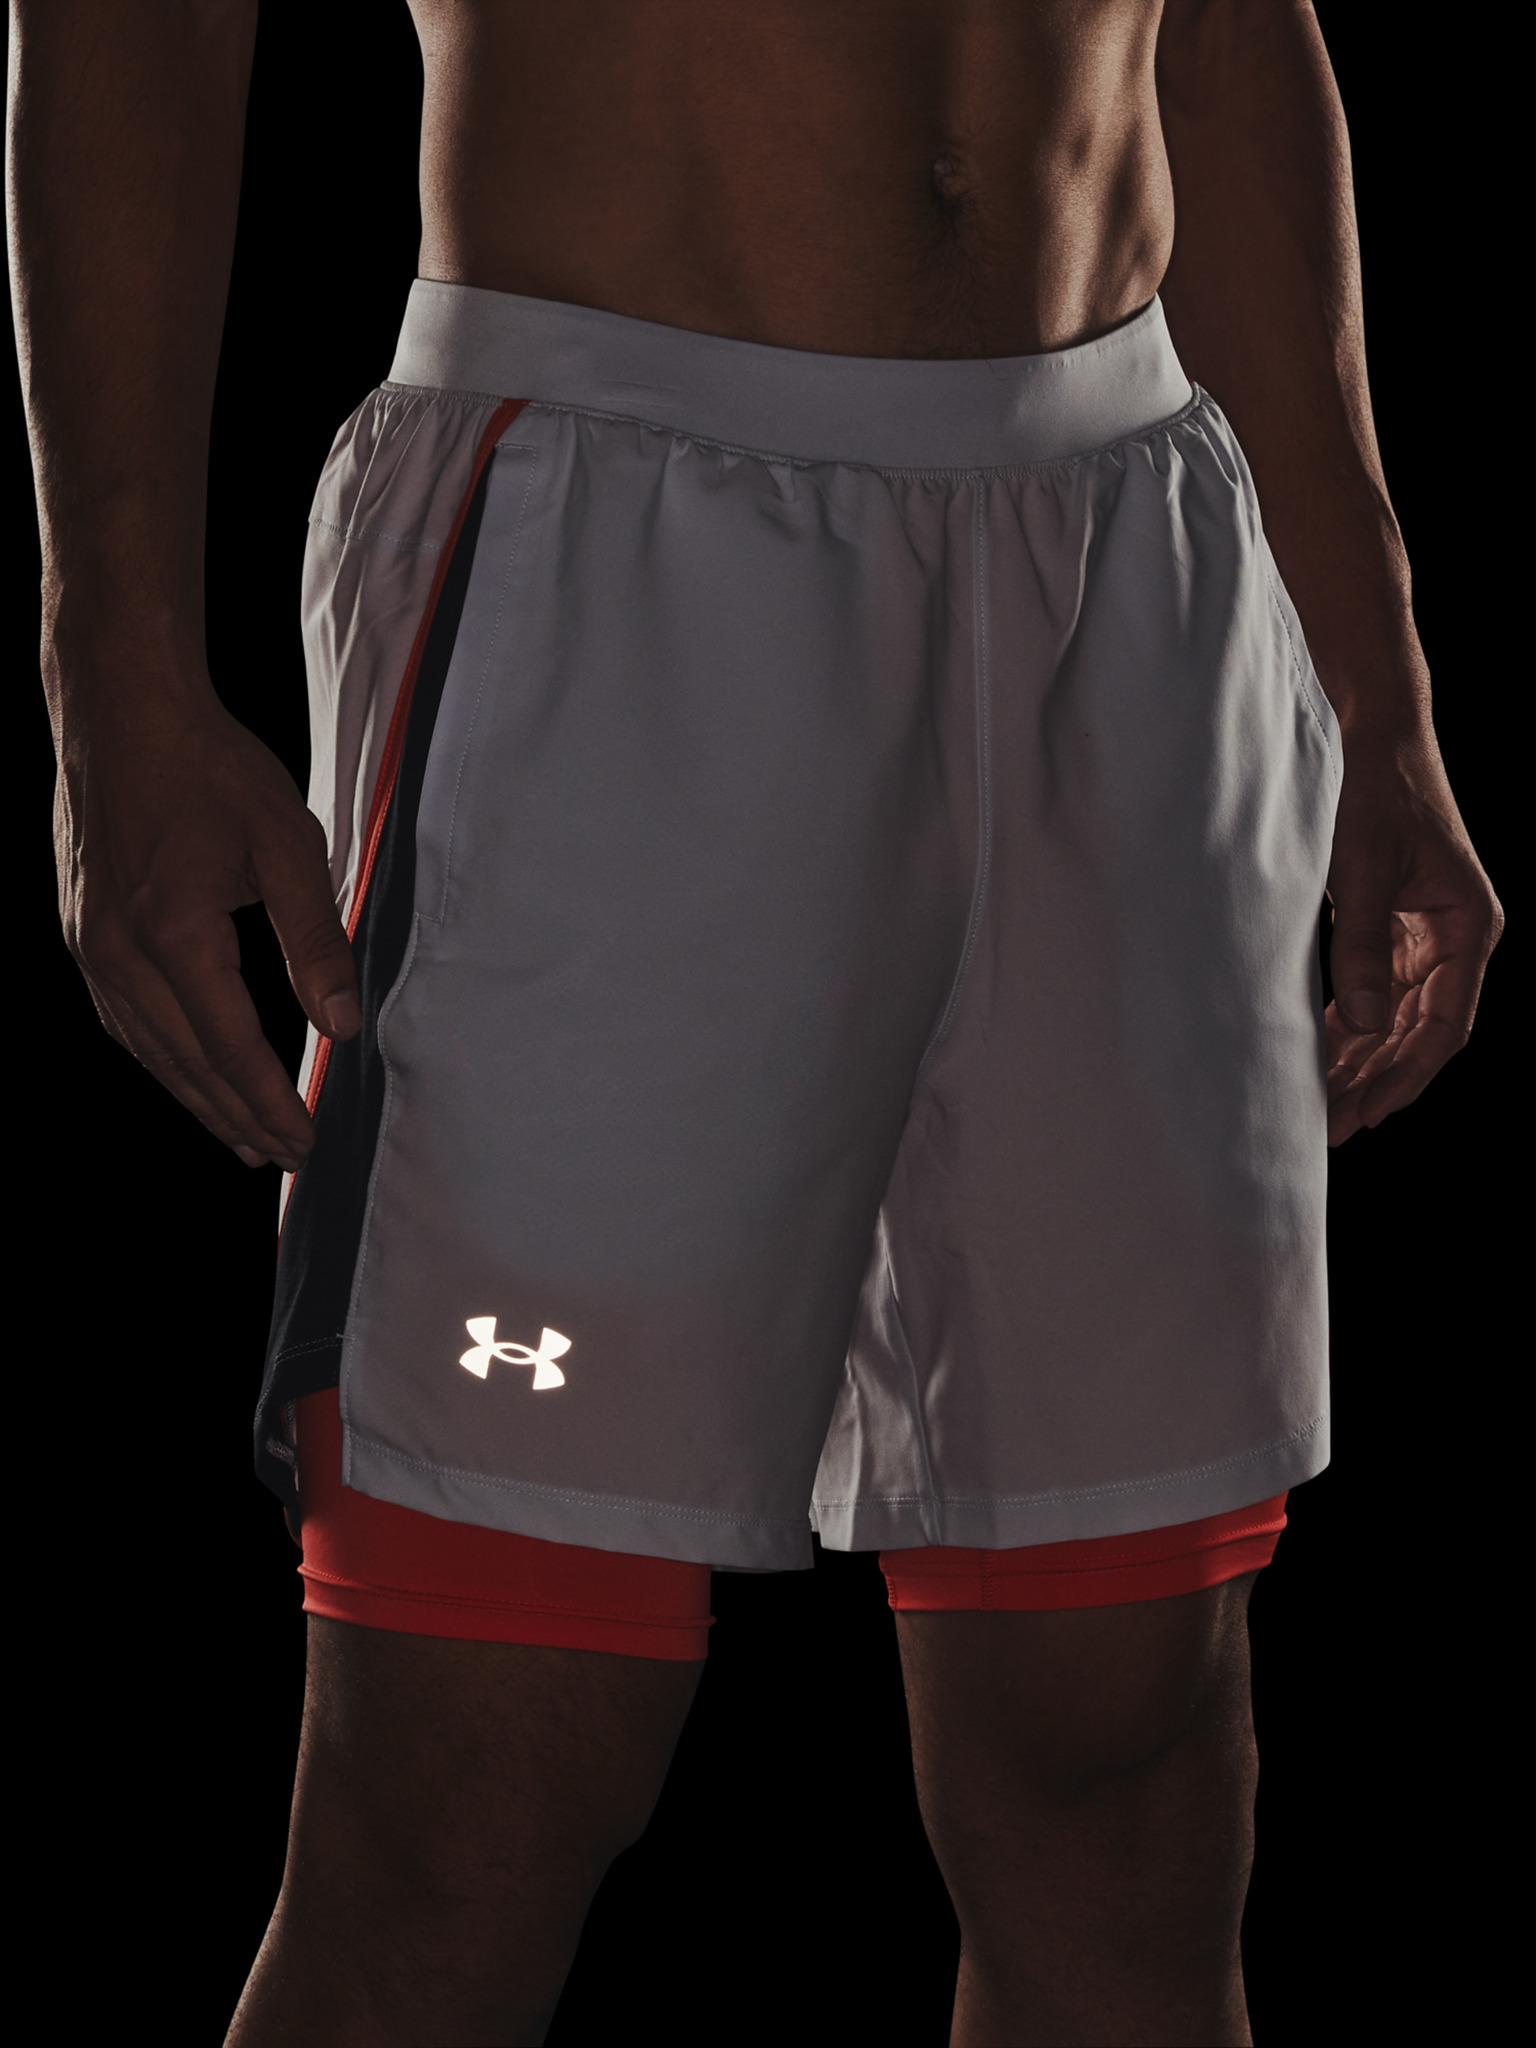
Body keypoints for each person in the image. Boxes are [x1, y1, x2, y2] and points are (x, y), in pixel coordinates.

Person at [10, 2, 1502, 2042]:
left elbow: (1230, 28)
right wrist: (115, 678)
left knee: (1122, 1779)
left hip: (1133, 543)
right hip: (621, 531)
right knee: (475, 1783)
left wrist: (1380, 698)